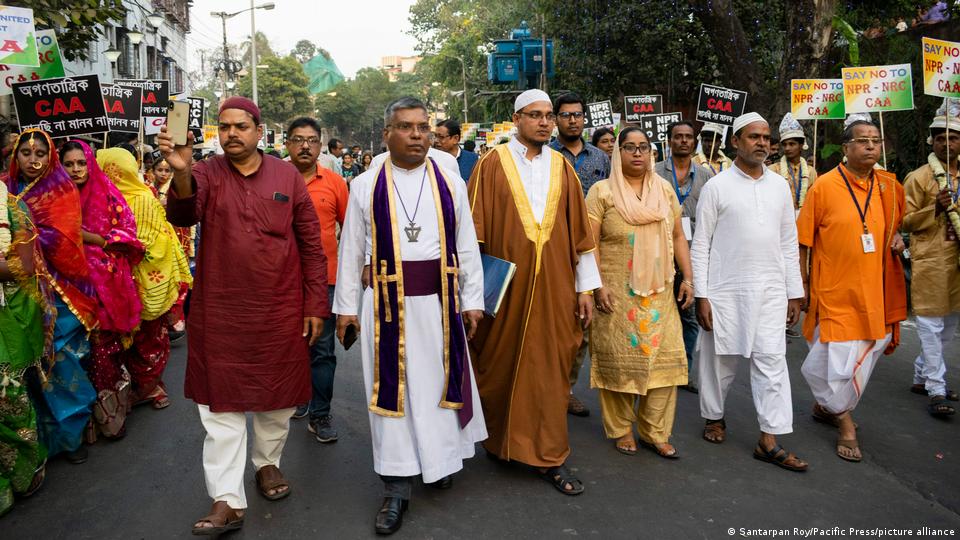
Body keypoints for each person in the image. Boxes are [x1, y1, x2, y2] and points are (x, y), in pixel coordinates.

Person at [158, 96, 329, 535]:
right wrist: (179, 170)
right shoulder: (205, 173)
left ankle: (267, 464)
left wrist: (315, 305)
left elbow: (311, 244)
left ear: (258, 130)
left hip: (279, 310)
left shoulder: (286, 176)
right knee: (221, 410)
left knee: (277, 400)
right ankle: (227, 499)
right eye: (224, 126)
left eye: (240, 126)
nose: (231, 133)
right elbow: (182, 212)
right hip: (221, 311)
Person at [334, 97, 487, 535]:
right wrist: (346, 308)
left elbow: (467, 243)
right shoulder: (365, 184)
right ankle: (396, 484)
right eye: (406, 127)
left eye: (423, 126)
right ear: (387, 134)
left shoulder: (450, 180)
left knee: (439, 386)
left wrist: (472, 300)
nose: (418, 135)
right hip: (385, 305)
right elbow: (350, 251)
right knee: (393, 393)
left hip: (440, 304)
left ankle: (440, 463)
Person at [469, 89, 600, 495]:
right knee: (499, 367)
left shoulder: (563, 167)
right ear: (517, 119)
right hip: (503, 292)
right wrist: (471, 296)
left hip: (556, 289)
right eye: (535, 115)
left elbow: (581, 237)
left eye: (549, 116)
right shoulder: (491, 165)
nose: (545, 122)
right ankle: (500, 440)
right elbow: (471, 239)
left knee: (550, 371)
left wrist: (586, 289)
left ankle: (549, 456)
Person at [691, 112, 808, 472]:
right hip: (725, 290)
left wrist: (794, 291)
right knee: (719, 360)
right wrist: (702, 295)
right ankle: (714, 416)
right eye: (753, 136)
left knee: (772, 362)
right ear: (735, 143)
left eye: (766, 137)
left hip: (771, 290)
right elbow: (700, 245)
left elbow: (789, 243)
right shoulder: (716, 186)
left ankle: (769, 439)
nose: (762, 142)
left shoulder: (778, 188)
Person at [797, 114, 907, 462]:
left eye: (876, 139)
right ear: (846, 148)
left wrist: (900, 238)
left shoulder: (891, 187)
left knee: (864, 355)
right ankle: (844, 422)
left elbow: (898, 226)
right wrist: (800, 284)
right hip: (834, 293)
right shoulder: (824, 186)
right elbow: (802, 242)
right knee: (833, 363)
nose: (871, 145)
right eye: (863, 140)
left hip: (877, 293)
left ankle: (827, 405)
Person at [587, 127, 693, 458]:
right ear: (616, 154)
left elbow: (677, 236)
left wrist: (688, 278)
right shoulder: (602, 192)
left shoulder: (664, 190)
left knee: (663, 363)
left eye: (643, 147)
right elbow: (589, 243)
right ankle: (621, 429)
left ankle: (654, 432)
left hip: (660, 292)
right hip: (616, 293)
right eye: (629, 147)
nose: (637, 153)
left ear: (651, 153)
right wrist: (597, 285)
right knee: (619, 363)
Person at [8, 130, 97, 464]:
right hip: (19, 292)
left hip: (61, 292)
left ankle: (71, 438)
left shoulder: (60, 190)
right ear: (14, 156)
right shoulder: (6, 191)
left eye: (41, 153)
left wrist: (25, 242)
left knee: (63, 365)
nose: (34, 160)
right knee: (31, 370)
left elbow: (64, 242)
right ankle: (43, 441)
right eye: (27, 154)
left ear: (51, 156)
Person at [60, 141, 144, 439]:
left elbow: (128, 233)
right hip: (67, 288)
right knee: (74, 358)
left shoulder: (107, 191)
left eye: (81, 163)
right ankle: (86, 422)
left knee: (105, 351)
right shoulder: (55, 197)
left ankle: (112, 416)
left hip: (107, 285)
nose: (76, 169)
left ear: (90, 164)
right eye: (69, 164)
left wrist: (91, 238)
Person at [97, 147, 192, 411]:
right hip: (113, 280)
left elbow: (152, 240)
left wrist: (119, 249)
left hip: (144, 279)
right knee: (120, 340)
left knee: (149, 338)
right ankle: (131, 387)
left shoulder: (142, 197)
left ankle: (150, 387)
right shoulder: (97, 196)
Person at [284, 117, 349, 442]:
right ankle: (298, 398)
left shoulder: (335, 183)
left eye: (311, 140)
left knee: (322, 349)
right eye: (298, 139)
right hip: (280, 281)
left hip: (325, 279)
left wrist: (354, 275)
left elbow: (352, 230)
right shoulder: (272, 180)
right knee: (289, 346)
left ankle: (320, 415)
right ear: (287, 144)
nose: (305, 146)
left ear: (320, 145)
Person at [547, 92, 610, 418]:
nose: (572, 120)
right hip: (551, 250)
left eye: (577, 115)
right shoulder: (545, 155)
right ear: (556, 118)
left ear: (585, 119)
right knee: (548, 323)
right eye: (566, 115)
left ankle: (566, 389)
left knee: (580, 327)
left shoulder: (601, 159)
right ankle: (545, 387)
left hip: (589, 252)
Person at [899, 101, 960, 417]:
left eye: (953, 137)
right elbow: (905, 221)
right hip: (931, 260)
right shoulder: (919, 177)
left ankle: (922, 375)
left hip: (957, 261)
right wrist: (934, 208)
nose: (947, 142)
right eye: (941, 137)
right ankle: (937, 388)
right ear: (932, 141)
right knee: (930, 325)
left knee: (948, 326)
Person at [0, 175, 50, 516]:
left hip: (9, 318)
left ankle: (24, 471)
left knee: (9, 400)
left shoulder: (13, 207)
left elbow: (24, 266)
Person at [654, 121, 716, 394]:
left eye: (688, 137)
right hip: (659, 256)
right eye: (677, 137)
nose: (683, 141)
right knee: (658, 314)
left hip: (693, 258)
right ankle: (656, 367)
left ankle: (684, 371)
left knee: (690, 317)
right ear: (669, 141)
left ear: (695, 142)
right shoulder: (654, 172)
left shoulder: (707, 178)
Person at [769, 113, 818, 211]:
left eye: (792, 144)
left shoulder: (811, 172)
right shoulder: (772, 169)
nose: (787, 148)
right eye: (784, 144)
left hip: (804, 218)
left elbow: (814, 201)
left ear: (801, 145)